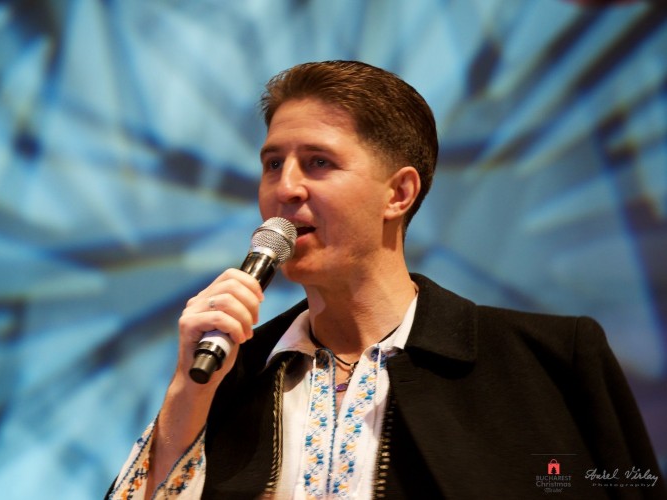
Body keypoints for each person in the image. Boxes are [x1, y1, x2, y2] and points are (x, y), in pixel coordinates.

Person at [107, 61, 664, 499]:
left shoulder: (544, 362)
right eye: (273, 163)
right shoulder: (230, 375)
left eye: (318, 162)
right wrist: (188, 391)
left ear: (398, 193)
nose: (285, 188)